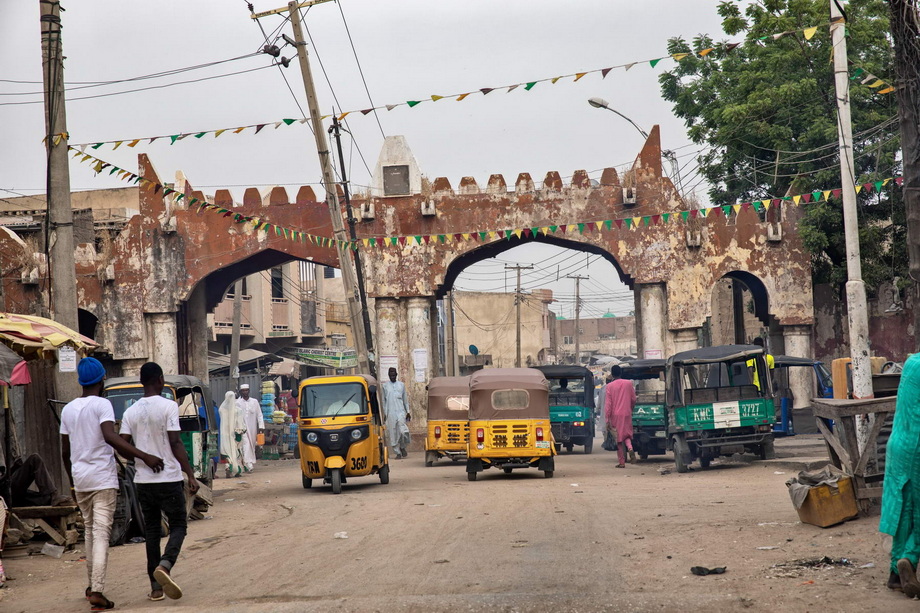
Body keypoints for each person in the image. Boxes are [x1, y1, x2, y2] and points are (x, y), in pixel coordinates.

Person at [60, 357, 164, 612]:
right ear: (101, 379)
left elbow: (65, 450)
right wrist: (144, 455)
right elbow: (110, 437)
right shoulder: (102, 405)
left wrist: (73, 482)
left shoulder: (68, 409)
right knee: (101, 532)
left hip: (81, 479)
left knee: (89, 530)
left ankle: (91, 586)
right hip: (102, 478)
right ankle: (97, 590)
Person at [119, 362, 198, 602]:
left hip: (143, 481)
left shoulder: (130, 412)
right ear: (160, 380)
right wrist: (190, 474)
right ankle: (165, 565)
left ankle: (155, 588)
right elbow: (175, 442)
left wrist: (142, 458)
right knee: (178, 526)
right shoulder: (169, 406)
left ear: (143, 382)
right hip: (169, 478)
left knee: (152, 531)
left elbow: (123, 445)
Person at [880, 353, 920, 597]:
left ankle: (896, 575)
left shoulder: (912, 362)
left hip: (899, 443)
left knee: (904, 512)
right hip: (917, 447)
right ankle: (910, 555)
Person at [1, 453, 72, 508]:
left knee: (44, 499)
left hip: (9, 495)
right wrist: (13, 468)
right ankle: (53, 495)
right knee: (34, 459)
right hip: (4, 494)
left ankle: (52, 497)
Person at [604, 365, 637, 468]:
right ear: (621, 373)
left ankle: (622, 462)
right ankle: (630, 448)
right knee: (626, 435)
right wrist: (630, 409)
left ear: (612, 374)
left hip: (615, 415)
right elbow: (633, 399)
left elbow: (608, 404)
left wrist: (607, 418)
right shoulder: (629, 383)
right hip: (627, 413)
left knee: (618, 438)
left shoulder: (610, 386)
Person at [381, 367, 411, 459]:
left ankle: (402, 447)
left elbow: (405, 400)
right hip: (390, 413)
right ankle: (397, 452)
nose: (392, 377)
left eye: (394, 375)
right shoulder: (385, 386)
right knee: (393, 433)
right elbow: (383, 401)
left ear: (396, 375)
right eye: (391, 375)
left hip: (401, 411)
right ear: (389, 376)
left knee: (403, 431)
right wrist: (385, 414)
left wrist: (408, 412)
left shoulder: (401, 385)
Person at [236, 383, 264, 472]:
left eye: (246, 390)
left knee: (252, 445)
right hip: (242, 427)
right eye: (243, 391)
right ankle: (249, 464)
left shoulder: (254, 402)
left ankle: (248, 462)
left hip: (253, 427)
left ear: (249, 391)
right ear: (240, 392)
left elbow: (259, 415)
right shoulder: (237, 402)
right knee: (246, 444)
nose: (245, 392)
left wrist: (261, 426)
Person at [218, 391, 246, 478]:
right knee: (237, 452)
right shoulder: (238, 410)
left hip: (224, 435)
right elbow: (240, 424)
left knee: (226, 452)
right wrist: (241, 432)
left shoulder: (221, 409)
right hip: (234, 435)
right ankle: (237, 470)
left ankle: (228, 468)